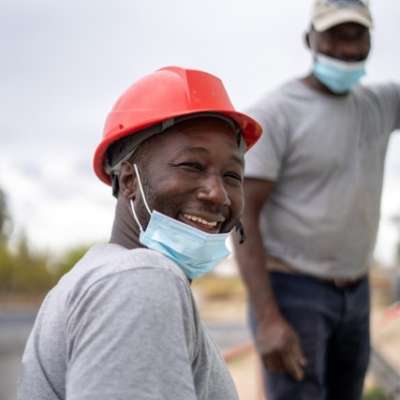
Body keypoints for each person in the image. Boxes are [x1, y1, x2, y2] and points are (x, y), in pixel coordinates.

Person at [18, 66, 262, 400]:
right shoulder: (140, 281)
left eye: (232, 175)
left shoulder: (100, 278)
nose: (217, 194)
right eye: (192, 166)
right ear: (130, 180)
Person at [233, 1, 400, 399]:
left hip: (356, 291)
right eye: (334, 36)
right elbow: (243, 216)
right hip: (292, 291)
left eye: (356, 35)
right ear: (310, 39)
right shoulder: (276, 114)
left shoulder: (380, 103)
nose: (346, 48)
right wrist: (268, 318)